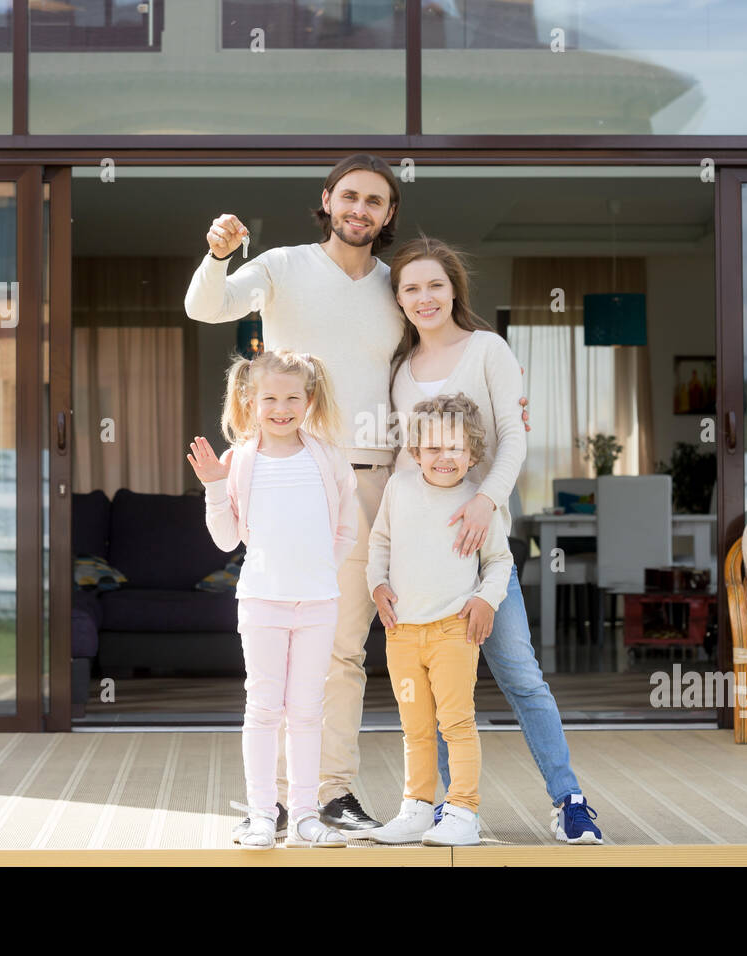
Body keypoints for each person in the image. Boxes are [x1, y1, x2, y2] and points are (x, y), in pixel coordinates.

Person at [183, 155, 529, 835]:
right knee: (315, 645)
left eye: (375, 201)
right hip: (312, 479)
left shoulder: (396, 289)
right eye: (350, 197)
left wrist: (496, 424)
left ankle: (336, 795)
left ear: (388, 214)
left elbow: (435, 369)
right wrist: (216, 255)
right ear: (328, 201)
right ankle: (299, 797)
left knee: (359, 647)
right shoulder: (282, 266)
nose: (361, 210)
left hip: (397, 483)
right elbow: (205, 306)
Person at [386, 236, 604, 844]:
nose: (424, 298)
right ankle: (452, 810)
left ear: (454, 288)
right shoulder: (401, 371)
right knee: (439, 692)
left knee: (519, 674)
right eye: (410, 288)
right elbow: (408, 462)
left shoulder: (488, 349)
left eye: (434, 285)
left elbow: (514, 436)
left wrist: (486, 500)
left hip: (484, 553)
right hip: (424, 565)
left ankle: (569, 800)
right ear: (399, 300)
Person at [186, 349, 355, 849]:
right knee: (263, 708)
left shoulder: (327, 457)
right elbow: (224, 540)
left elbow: (345, 526)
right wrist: (215, 488)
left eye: (292, 398)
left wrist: (325, 567)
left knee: (306, 711)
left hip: (318, 604)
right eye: (270, 399)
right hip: (261, 603)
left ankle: (305, 815)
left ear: (309, 400)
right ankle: (263, 813)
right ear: (250, 400)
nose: (282, 408)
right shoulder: (239, 461)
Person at [363, 394, 511, 846]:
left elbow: (500, 562)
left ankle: (463, 812)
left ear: (472, 452)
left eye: (455, 448)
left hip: (453, 631)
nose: (444, 457)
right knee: (415, 728)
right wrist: (377, 585)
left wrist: (487, 599)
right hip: (402, 633)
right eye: (432, 448)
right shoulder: (399, 489)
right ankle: (417, 809)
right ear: (415, 451)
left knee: (457, 724)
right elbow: (379, 545)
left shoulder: (480, 501)